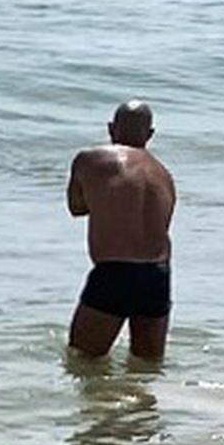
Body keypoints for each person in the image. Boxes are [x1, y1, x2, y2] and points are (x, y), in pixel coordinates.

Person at [65, 100, 179, 362]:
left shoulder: (90, 159)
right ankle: (145, 404)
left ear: (110, 128)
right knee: (146, 368)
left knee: (82, 361)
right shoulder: (164, 174)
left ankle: (98, 404)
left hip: (115, 273)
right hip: (158, 275)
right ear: (150, 135)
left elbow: (77, 207)